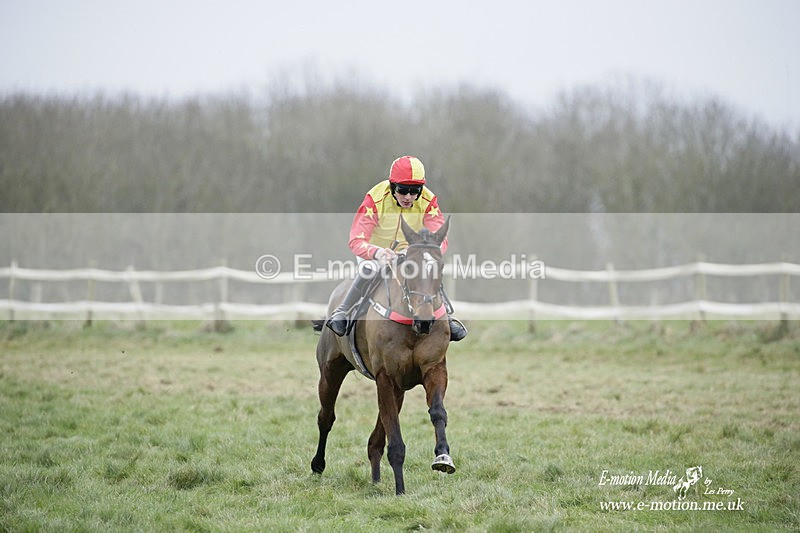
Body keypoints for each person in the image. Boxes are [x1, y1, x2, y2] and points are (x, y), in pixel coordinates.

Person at [326, 155, 467, 341]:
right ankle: (343, 312)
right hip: (375, 251)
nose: (409, 197)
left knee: (427, 269)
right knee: (370, 269)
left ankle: (446, 317)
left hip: (409, 250)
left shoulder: (428, 200)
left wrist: (428, 252)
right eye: (403, 190)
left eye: (415, 190)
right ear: (393, 186)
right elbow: (355, 240)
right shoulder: (374, 199)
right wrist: (377, 252)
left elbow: (440, 238)